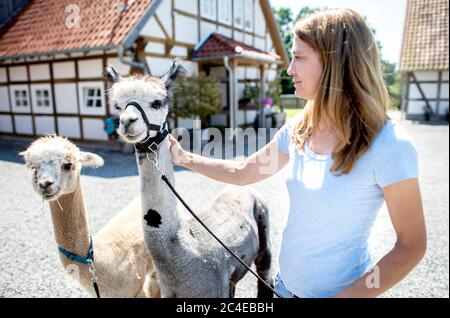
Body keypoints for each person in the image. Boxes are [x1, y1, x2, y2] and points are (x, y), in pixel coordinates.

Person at [167, 8, 426, 298]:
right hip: (283, 289)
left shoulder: (390, 144)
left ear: (335, 63)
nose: (289, 69)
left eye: (299, 57)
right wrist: (183, 157)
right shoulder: (297, 130)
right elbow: (243, 173)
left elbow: (411, 246)